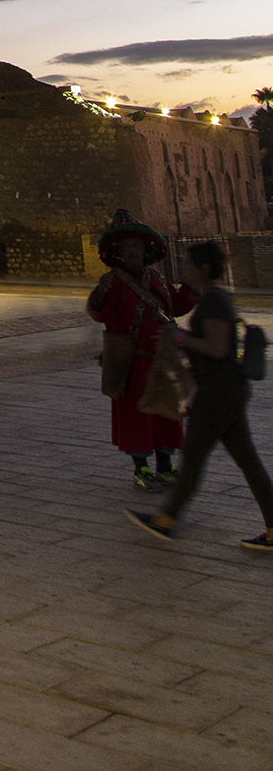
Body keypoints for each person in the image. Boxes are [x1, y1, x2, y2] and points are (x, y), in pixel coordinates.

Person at [128, 239, 273, 549]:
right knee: (248, 462)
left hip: (219, 394)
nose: (183, 267)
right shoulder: (213, 298)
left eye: (188, 262)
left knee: (193, 457)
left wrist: (180, 336)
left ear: (204, 268)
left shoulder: (213, 301)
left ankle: (166, 518)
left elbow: (218, 349)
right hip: (226, 391)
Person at [87, 210, 195, 489]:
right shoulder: (116, 281)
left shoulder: (158, 279)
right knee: (137, 417)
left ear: (144, 249)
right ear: (119, 252)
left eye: (136, 245)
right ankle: (141, 469)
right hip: (133, 362)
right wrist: (99, 294)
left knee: (166, 414)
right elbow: (100, 314)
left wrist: (192, 288)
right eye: (126, 247)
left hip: (162, 359)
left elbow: (178, 307)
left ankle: (166, 465)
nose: (132, 250)